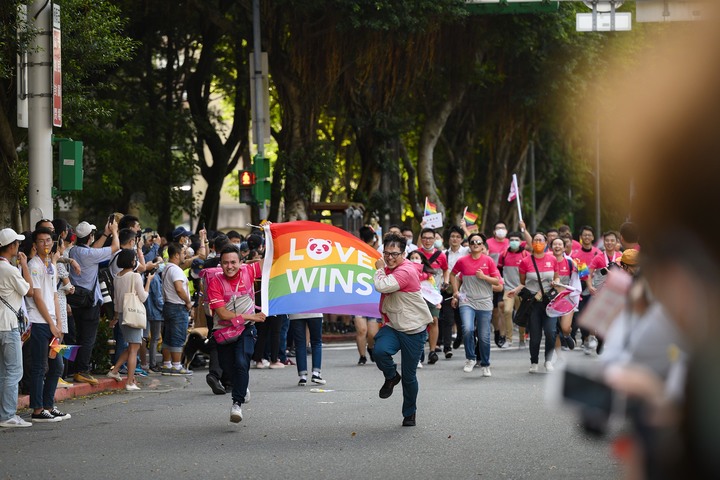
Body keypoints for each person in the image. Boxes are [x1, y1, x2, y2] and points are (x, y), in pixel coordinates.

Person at [373, 233, 433, 427]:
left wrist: (380, 269)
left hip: (413, 329)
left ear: (404, 254)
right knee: (380, 351)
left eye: (394, 254)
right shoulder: (391, 266)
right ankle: (391, 376)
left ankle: (409, 413)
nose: (389, 257)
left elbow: (382, 286)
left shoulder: (405, 270)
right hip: (393, 324)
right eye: (386, 253)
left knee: (409, 376)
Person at [206, 246, 266, 423]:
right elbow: (222, 314)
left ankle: (236, 404)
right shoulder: (215, 282)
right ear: (221, 264)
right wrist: (250, 315)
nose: (230, 266)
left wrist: (269, 235)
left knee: (241, 362)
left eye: (233, 262)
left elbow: (270, 260)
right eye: (225, 263)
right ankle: (242, 386)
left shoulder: (249, 271)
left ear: (241, 262)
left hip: (246, 329)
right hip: (223, 332)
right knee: (229, 368)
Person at [26, 227, 70, 422]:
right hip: (38, 322)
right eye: (42, 241)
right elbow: (36, 296)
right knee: (39, 367)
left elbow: (53, 295)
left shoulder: (50, 265)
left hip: (52, 323)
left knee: (57, 366)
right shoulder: (33, 265)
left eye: (48, 240)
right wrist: (52, 324)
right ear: (35, 245)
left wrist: (59, 323)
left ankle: (48, 406)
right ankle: (37, 410)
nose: (46, 244)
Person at [68, 219, 119, 385]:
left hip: (77, 300)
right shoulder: (89, 254)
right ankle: (82, 370)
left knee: (79, 336)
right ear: (90, 236)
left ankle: (74, 369)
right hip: (90, 302)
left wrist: (105, 234)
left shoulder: (74, 251)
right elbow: (115, 248)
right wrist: (114, 232)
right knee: (88, 338)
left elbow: (94, 249)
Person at [450, 233, 503, 376]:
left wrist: (484, 277)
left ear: (483, 246)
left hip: (484, 301)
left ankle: (485, 363)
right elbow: (452, 275)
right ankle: (471, 358)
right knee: (467, 328)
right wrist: (455, 292)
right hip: (467, 301)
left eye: (478, 242)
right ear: (469, 244)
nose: (475, 244)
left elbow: (497, 282)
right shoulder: (462, 261)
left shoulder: (489, 261)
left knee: (484, 335)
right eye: (473, 242)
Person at [508, 232, 559, 373]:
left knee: (550, 332)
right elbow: (523, 283)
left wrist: (556, 283)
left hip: (549, 302)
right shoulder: (525, 262)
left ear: (546, 242)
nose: (537, 242)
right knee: (535, 335)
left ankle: (548, 361)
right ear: (531, 243)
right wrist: (515, 291)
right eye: (535, 240)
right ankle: (534, 362)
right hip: (533, 302)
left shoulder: (552, 259)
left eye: (540, 240)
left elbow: (557, 277)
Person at [106, 250, 153, 391]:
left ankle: (114, 370)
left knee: (132, 347)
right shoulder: (135, 276)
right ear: (132, 261)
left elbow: (115, 300)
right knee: (134, 349)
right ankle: (129, 382)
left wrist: (115, 317)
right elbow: (143, 297)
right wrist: (148, 282)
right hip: (133, 314)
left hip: (122, 315)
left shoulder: (117, 276)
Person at [0, 229, 32, 428]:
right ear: (11, 246)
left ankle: (4, 412)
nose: (19, 246)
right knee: (13, 371)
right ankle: (8, 415)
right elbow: (28, 289)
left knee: (4, 371)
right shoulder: (9, 270)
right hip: (9, 324)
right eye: (17, 243)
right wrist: (25, 265)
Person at [417, 227, 449, 365]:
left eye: (431, 238)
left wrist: (446, 281)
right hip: (417, 293)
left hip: (434, 294)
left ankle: (432, 351)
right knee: (419, 323)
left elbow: (446, 270)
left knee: (434, 320)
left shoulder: (441, 255)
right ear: (421, 239)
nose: (427, 241)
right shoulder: (415, 254)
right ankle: (418, 352)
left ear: (435, 239)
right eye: (425, 238)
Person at [160, 242, 193, 375]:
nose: (185, 256)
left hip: (168, 306)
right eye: (183, 253)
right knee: (178, 336)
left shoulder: (167, 268)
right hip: (178, 306)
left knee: (168, 336)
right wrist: (188, 302)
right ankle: (176, 365)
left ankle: (167, 364)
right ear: (176, 255)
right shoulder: (176, 270)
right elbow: (179, 289)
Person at [498, 231, 529, 348]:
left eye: (516, 240)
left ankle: (522, 339)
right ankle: (509, 339)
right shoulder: (504, 254)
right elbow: (499, 270)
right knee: (507, 311)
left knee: (521, 315)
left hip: (522, 290)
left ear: (521, 242)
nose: (514, 242)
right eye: (512, 240)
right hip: (508, 289)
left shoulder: (525, 254)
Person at [441, 225, 469, 355]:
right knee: (448, 318)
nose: (455, 239)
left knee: (461, 317)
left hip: (464, 289)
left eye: (458, 237)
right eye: (452, 236)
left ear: (462, 239)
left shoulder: (466, 251)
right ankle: (447, 347)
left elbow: (476, 241)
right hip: (448, 289)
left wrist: (465, 227)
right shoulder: (443, 254)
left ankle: (460, 337)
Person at [288, 313, 325, 386]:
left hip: (296, 312)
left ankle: (302, 377)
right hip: (315, 311)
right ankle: (316, 373)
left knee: (299, 344)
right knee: (316, 342)